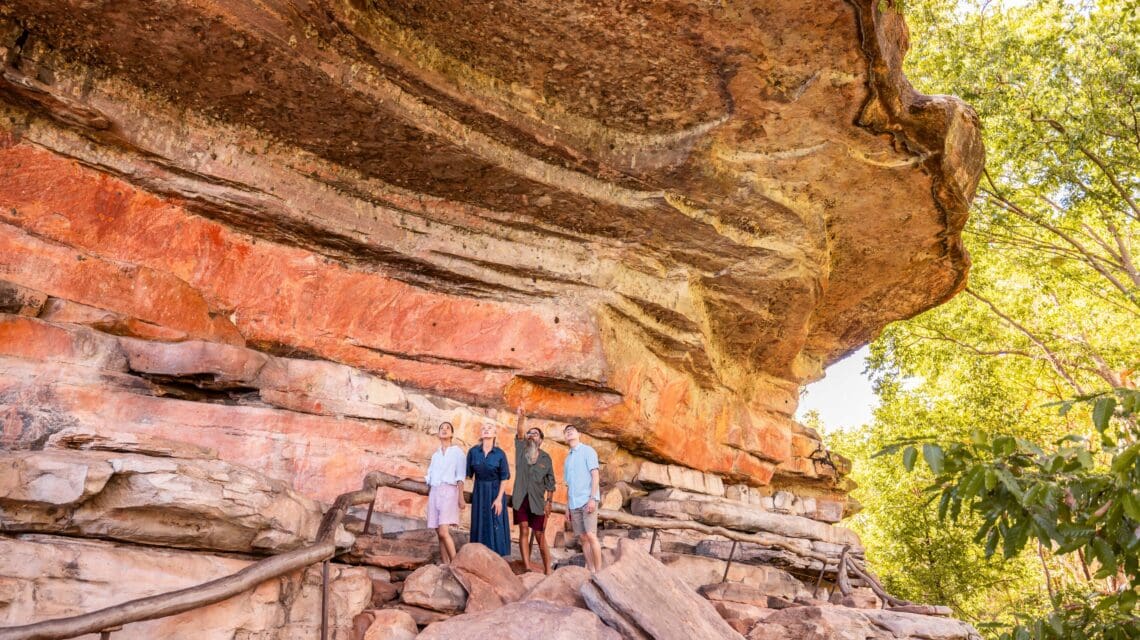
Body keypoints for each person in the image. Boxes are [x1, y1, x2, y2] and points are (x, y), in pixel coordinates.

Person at [511, 409, 556, 574]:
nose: (531, 435)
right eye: (530, 433)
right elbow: (520, 433)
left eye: (535, 434)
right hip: (521, 497)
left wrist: (549, 502)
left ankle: (547, 570)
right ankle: (528, 567)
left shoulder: (546, 458)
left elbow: (550, 481)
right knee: (523, 528)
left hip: (537, 501)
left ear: (541, 440)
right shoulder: (521, 451)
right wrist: (521, 418)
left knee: (539, 536)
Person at [466, 422, 511, 556]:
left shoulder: (500, 454)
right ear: (481, 434)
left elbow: (504, 477)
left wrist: (498, 499)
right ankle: (478, 556)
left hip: (495, 492)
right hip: (479, 492)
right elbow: (468, 474)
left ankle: (497, 558)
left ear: (495, 434)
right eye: (484, 429)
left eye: (489, 429)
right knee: (479, 523)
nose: (486, 430)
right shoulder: (473, 452)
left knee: (496, 524)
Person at [563, 424, 603, 572]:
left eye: (572, 430)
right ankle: (591, 570)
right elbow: (569, 485)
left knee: (591, 535)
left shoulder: (588, 451)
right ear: (565, 437)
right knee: (583, 538)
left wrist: (592, 498)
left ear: (579, 434)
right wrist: (567, 507)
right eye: (566, 432)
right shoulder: (567, 459)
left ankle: (599, 571)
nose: (569, 433)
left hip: (587, 500)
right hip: (574, 503)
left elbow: (595, 475)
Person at [425, 422, 466, 564]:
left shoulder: (457, 452)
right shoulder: (435, 455)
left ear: (452, 434)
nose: (444, 430)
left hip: (449, 491)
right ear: (438, 433)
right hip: (435, 491)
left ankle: (455, 564)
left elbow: (460, 475)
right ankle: (444, 563)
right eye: (441, 428)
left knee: (443, 531)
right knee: (438, 532)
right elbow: (430, 474)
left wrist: (461, 497)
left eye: (447, 428)